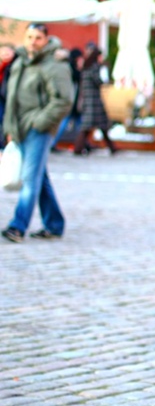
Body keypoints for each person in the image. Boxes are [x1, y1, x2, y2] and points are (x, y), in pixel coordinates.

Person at [2, 23, 73, 243]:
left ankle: (17, 226)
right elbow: (10, 98)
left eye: (38, 38)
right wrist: (10, 128)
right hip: (19, 128)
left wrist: (39, 123)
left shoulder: (55, 65)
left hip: (38, 130)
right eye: (30, 36)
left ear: (46, 40)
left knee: (30, 178)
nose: (33, 41)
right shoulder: (20, 62)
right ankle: (54, 224)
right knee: (40, 178)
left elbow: (63, 100)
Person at [73, 42, 117, 156]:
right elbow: (98, 81)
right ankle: (78, 147)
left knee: (99, 126)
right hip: (93, 100)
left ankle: (112, 147)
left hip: (89, 99)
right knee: (89, 127)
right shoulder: (94, 67)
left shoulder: (86, 66)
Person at [51, 47, 83, 152]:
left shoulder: (66, 68)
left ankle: (80, 144)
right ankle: (53, 142)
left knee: (78, 124)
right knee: (65, 122)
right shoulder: (70, 69)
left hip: (74, 101)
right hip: (71, 101)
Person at [0, 42, 17, 149]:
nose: (5, 53)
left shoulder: (15, 65)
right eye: (3, 50)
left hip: (7, 96)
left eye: (8, 51)